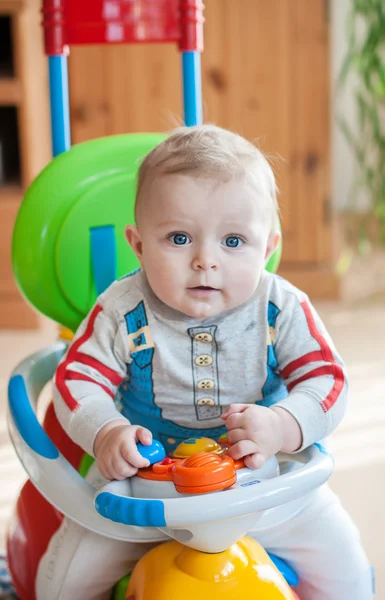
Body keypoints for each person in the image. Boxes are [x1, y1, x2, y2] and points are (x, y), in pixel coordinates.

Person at [36, 125, 373, 600]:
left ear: (269, 246)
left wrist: (282, 425)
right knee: (66, 577)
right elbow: (76, 381)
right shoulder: (122, 308)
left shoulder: (281, 306)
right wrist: (106, 431)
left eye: (233, 241)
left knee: (347, 568)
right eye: (178, 238)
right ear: (137, 244)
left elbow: (328, 382)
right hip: (144, 488)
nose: (204, 260)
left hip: (264, 482)